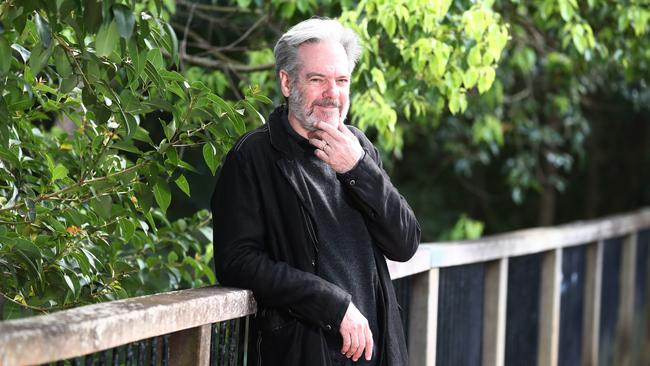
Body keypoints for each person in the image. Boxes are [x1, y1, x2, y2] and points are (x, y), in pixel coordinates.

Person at [211, 17, 421, 366]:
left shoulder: (359, 149)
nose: (333, 94)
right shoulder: (253, 156)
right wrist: (331, 304)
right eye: (317, 79)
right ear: (287, 82)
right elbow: (236, 262)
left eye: (341, 81)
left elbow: (405, 242)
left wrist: (357, 168)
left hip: (378, 356)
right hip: (303, 355)